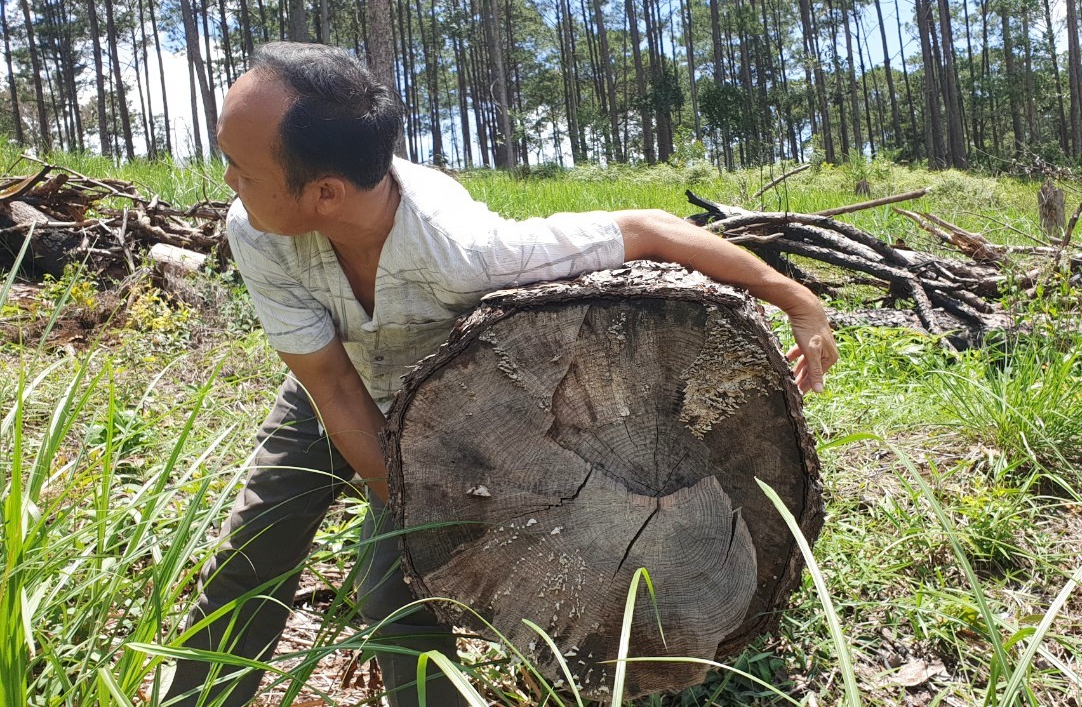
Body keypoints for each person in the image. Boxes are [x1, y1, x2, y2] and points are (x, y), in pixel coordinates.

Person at [163, 41, 837, 707]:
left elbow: (650, 227)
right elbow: (332, 385)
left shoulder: (468, 252)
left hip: (440, 398)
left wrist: (799, 301)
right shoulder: (256, 227)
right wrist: (400, 500)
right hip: (326, 379)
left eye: (240, 169)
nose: (228, 183)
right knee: (254, 554)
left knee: (398, 603)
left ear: (324, 194)